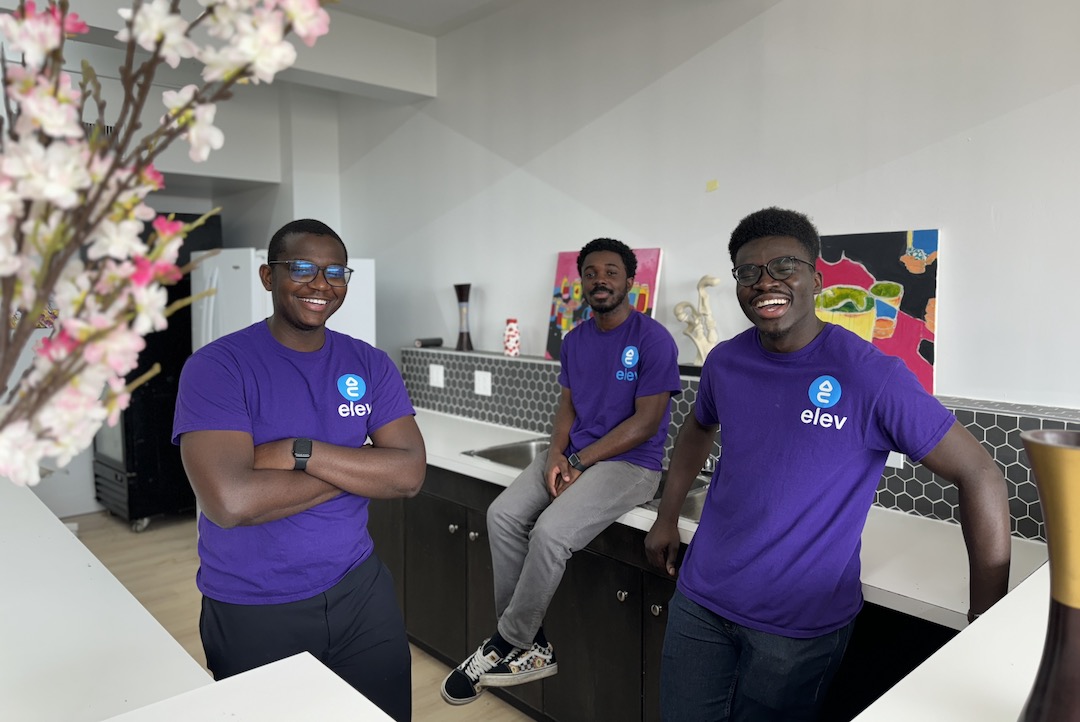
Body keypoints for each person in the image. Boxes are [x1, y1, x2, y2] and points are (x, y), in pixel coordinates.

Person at [645, 207, 1012, 721]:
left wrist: (986, 619)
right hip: (701, 601)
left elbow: (981, 475)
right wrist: (667, 515)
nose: (765, 282)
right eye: (748, 272)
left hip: (796, 629)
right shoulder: (725, 362)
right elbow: (698, 427)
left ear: (817, 278)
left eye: (783, 266)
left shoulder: (871, 376)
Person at [172, 219, 425, 722]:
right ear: (268, 276)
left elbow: (409, 475)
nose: (321, 284)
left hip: (361, 591)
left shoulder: (369, 363)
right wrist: (359, 465)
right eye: (302, 268)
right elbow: (232, 502)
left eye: (335, 272)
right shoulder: (218, 368)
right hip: (253, 604)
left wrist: (298, 449)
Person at [441, 237, 682, 705]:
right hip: (573, 456)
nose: (600, 280)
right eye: (590, 273)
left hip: (630, 466)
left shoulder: (652, 339)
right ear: (582, 281)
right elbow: (567, 405)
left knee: (550, 533)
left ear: (630, 281)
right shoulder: (574, 339)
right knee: (502, 515)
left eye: (611, 272)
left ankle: (510, 642)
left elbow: (646, 423)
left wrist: (577, 461)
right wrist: (556, 453)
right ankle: (530, 644)